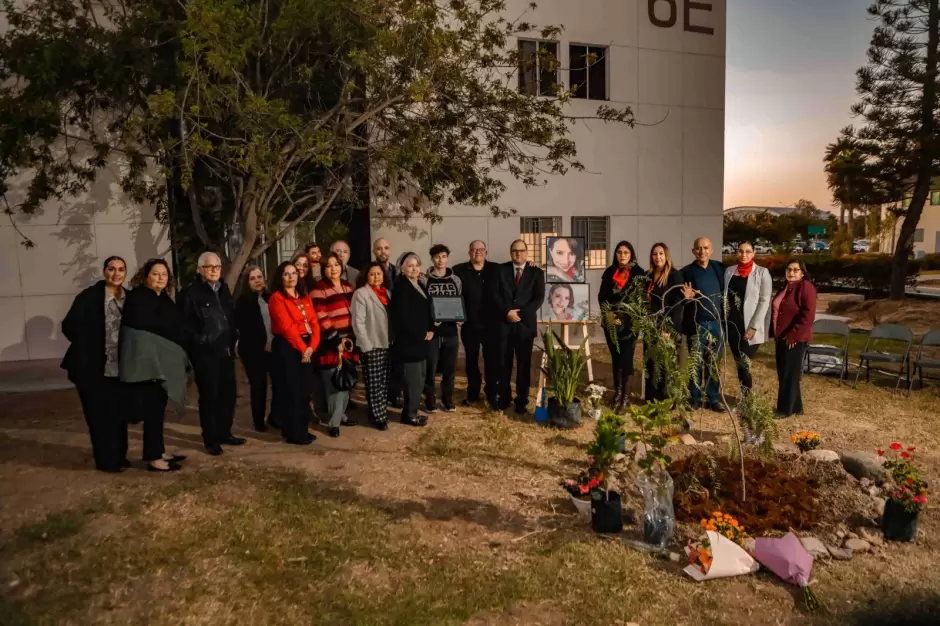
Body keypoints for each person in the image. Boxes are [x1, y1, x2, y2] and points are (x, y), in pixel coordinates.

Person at [61, 256, 131, 472]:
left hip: (121, 368)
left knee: (119, 413)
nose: (116, 273)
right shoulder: (89, 297)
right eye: (111, 269)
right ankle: (106, 460)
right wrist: (91, 343)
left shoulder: (129, 298)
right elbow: (69, 326)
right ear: (104, 271)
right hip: (92, 368)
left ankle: (119, 456)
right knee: (99, 415)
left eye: (121, 269)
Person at [120, 258, 188, 472]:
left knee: (158, 410)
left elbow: (175, 324)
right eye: (155, 274)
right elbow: (144, 326)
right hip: (147, 365)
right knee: (152, 411)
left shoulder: (164, 297)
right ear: (146, 275)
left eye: (164, 274)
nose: (160, 278)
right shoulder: (139, 297)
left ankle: (159, 451)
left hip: (161, 363)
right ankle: (152, 457)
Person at [178, 252, 243, 455]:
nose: (214, 270)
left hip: (226, 351)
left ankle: (225, 432)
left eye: (217, 267)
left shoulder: (224, 289)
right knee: (210, 397)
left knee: (228, 395)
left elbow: (230, 317)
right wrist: (199, 341)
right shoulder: (190, 293)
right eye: (209, 267)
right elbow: (184, 325)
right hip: (205, 354)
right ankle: (211, 439)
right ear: (200, 269)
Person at [268, 261, 321, 444]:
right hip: (288, 347)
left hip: (306, 345)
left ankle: (303, 429)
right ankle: (293, 433)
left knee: (305, 390)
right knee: (291, 391)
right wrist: (303, 348)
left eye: (293, 273)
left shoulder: (304, 296)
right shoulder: (277, 298)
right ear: (280, 277)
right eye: (286, 274)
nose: (291, 277)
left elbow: (314, 322)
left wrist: (311, 347)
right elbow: (287, 327)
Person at [311, 252, 358, 437]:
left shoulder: (347, 286)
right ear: (323, 269)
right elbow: (321, 316)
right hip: (331, 342)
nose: (333, 269)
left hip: (349, 342)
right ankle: (333, 423)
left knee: (346, 381)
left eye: (336, 265)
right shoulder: (319, 289)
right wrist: (335, 339)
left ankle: (341, 415)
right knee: (334, 384)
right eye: (329, 266)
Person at [496, 240, 545, 413]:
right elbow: (494, 295)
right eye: (515, 250)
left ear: (527, 252)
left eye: (521, 250)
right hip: (504, 324)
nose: (518, 254)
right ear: (510, 252)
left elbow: (539, 297)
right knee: (504, 364)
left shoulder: (537, 272)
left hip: (525, 325)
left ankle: (521, 400)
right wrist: (507, 312)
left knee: (524, 365)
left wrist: (520, 314)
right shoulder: (500, 270)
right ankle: (504, 397)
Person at [453, 240, 501, 406]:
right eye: (473, 250)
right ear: (469, 253)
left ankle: (492, 393)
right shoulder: (459, 270)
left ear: (486, 252)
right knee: (471, 360)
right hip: (470, 324)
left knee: (491, 360)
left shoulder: (496, 269)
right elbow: (447, 284)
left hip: (491, 324)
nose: (477, 252)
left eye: (481, 250)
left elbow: (514, 269)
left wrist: (529, 264)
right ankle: (473, 393)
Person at [681, 237, 726, 412]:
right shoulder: (687, 272)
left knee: (714, 363)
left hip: (716, 324)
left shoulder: (718, 269)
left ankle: (713, 398)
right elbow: (681, 299)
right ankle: (695, 397)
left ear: (711, 250)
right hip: (697, 325)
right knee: (696, 363)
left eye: (706, 248)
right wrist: (687, 298)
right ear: (693, 251)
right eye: (698, 248)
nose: (702, 251)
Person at [598, 240, 644, 410]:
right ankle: (617, 393)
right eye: (619, 252)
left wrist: (625, 318)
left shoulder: (638, 273)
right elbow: (602, 297)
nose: (622, 255)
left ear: (631, 254)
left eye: (625, 252)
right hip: (611, 321)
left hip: (630, 323)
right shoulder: (610, 272)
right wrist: (611, 318)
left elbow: (641, 300)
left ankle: (625, 397)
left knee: (626, 359)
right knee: (616, 358)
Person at [389, 252, 434, 426]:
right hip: (409, 342)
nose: (414, 268)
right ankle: (409, 415)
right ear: (402, 268)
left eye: (416, 265)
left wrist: (430, 329)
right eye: (410, 265)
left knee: (420, 378)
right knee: (413, 381)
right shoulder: (401, 287)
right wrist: (420, 333)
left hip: (421, 341)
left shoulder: (419, 284)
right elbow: (403, 317)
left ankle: (413, 411)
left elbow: (426, 309)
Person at [723, 242, 772, 393]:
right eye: (741, 251)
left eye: (748, 251)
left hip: (751, 326)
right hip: (732, 325)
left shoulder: (762, 273)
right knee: (739, 362)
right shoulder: (729, 272)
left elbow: (765, 301)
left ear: (753, 253)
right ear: (737, 253)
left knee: (745, 360)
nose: (744, 254)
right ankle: (745, 395)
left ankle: (747, 398)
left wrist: (753, 327)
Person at [771, 260, 817, 418]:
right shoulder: (785, 288)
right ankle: (796, 407)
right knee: (784, 372)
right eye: (789, 269)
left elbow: (808, 315)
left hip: (794, 339)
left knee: (789, 374)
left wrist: (793, 335)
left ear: (802, 273)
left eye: (796, 270)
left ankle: (785, 410)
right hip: (781, 337)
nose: (791, 272)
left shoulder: (805, 287)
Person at [350, 262, 391, 430]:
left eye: (379, 274)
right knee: (373, 383)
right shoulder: (361, 294)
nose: (376, 277)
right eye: (372, 274)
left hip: (386, 343)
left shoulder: (386, 292)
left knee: (383, 381)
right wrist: (365, 344)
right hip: (371, 344)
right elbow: (358, 322)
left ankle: (378, 411)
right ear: (366, 276)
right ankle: (378, 417)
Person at [422, 244, 463, 413]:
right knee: (430, 367)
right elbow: (422, 303)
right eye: (437, 257)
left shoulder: (456, 280)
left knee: (449, 368)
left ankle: (447, 399)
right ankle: (430, 400)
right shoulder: (424, 279)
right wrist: (430, 320)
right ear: (432, 259)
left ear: (447, 258)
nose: (440, 260)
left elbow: (460, 300)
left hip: (451, 330)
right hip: (432, 331)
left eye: (444, 256)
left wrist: (460, 317)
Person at [644, 243, 685, 402]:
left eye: (661, 253)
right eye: (655, 254)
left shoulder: (674, 275)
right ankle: (651, 398)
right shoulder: (648, 276)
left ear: (666, 255)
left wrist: (667, 329)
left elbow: (676, 304)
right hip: (651, 327)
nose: (658, 257)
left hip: (668, 328)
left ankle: (667, 399)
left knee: (667, 364)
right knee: (652, 362)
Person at [235, 266, 274, 432]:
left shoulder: (269, 297)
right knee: (259, 384)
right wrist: (264, 343)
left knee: (278, 383)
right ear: (247, 282)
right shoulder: (243, 301)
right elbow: (247, 329)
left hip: (273, 347)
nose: (258, 280)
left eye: (260, 277)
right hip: (253, 349)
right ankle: (258, 422)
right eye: (253, 278)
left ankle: (275, 417)